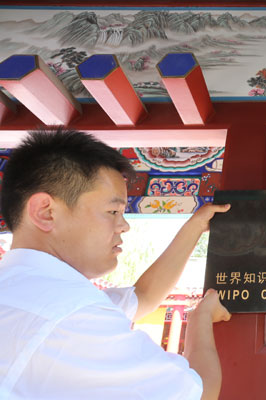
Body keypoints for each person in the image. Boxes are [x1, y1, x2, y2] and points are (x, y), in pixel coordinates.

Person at [0, 128, 231, 399]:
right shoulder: (71, 313)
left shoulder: (26, 291)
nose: (124, 226)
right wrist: (201, 318)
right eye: (112, 211)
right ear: (46, 212)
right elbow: (200, 393)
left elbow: (143, 297)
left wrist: (195, 226)